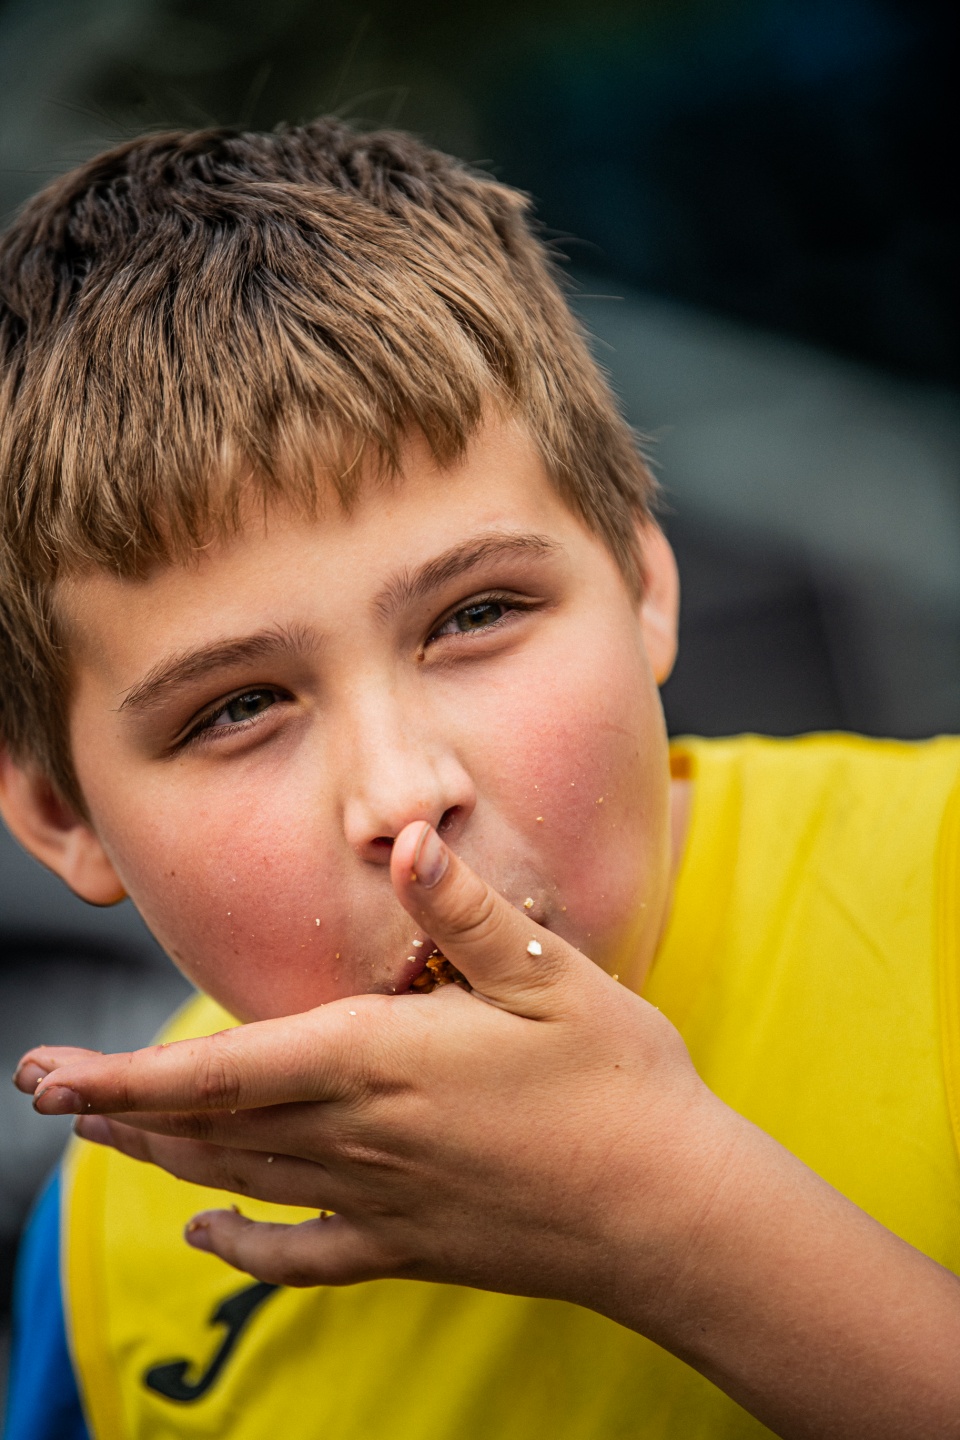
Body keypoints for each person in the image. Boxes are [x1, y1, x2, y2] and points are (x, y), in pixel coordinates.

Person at [1, 120, 959, 1440]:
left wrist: (666, 1218)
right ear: (63, 813)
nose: (405, 795)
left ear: (644, 582)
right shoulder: (114, 1239)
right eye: (238, 708)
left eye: (476, 615)